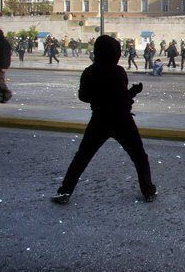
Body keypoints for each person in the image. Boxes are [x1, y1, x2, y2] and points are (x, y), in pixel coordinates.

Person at [51, 35, 157, 205]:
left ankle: (65, 191)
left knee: (82, 157)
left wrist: (99, 98)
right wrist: (134, 91)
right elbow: (123, 99)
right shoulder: (118, 72)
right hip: (122, 120)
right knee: (139, 157)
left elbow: (83, 96)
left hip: (99, 119)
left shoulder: (89, 71)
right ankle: (148, 191)